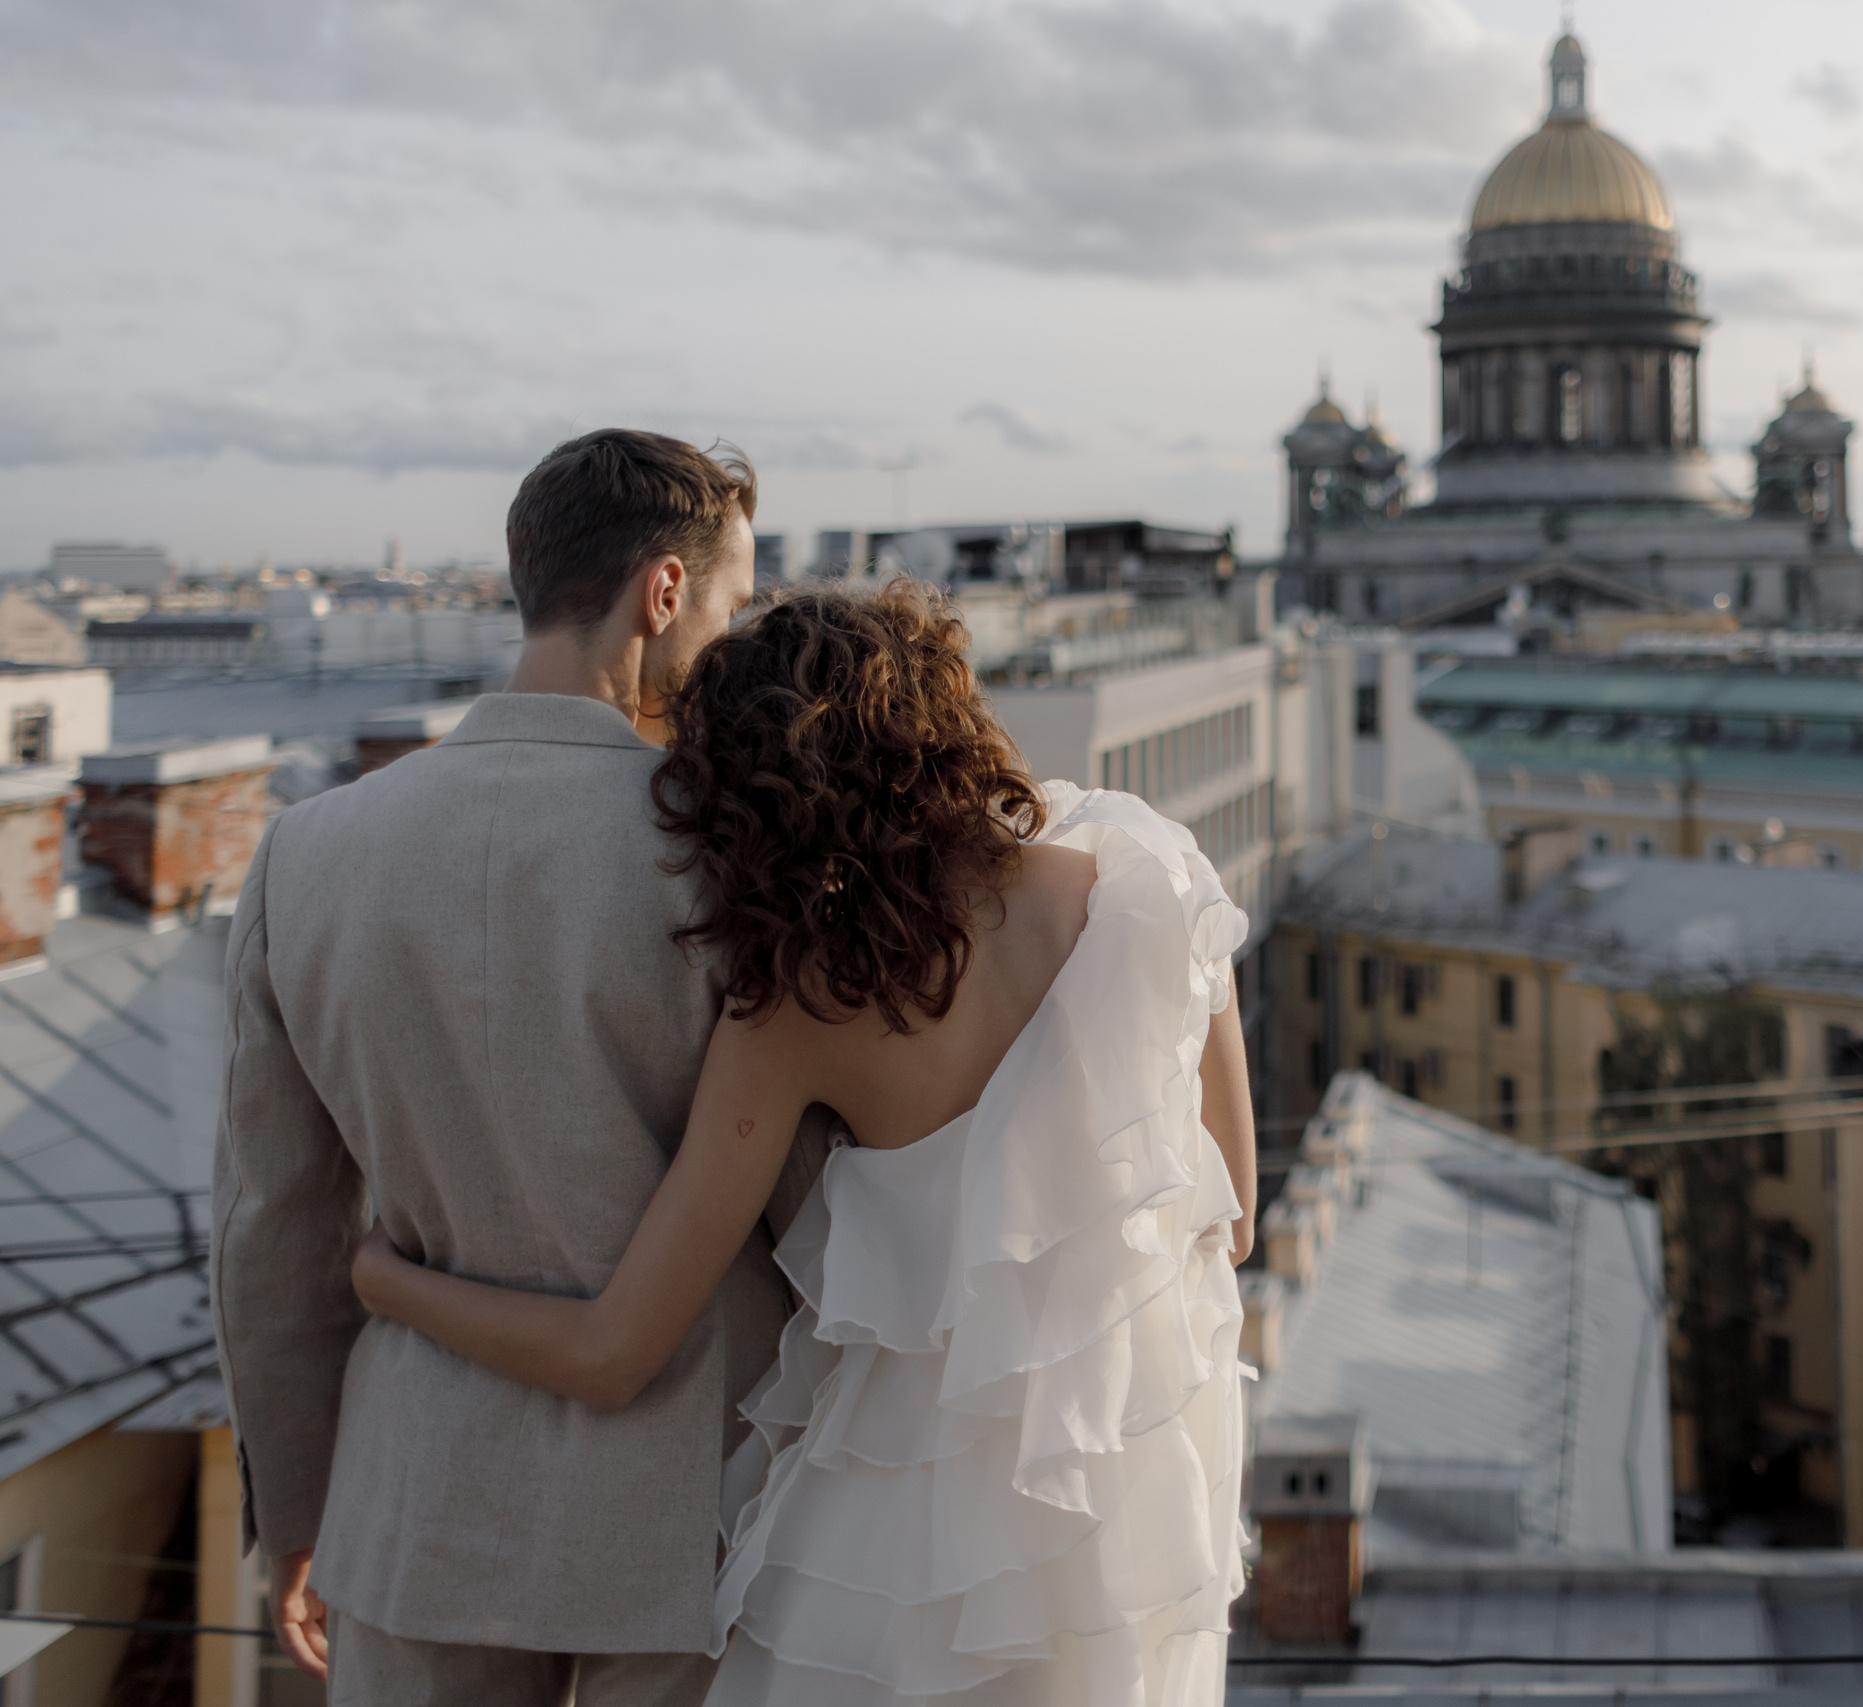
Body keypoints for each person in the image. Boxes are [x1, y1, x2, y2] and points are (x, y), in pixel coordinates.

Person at [347, 579, 1256, 1706]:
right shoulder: (1154, 884)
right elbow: (1231, 1217)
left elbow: (612, 1350)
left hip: (891, 1546)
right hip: (1121, 1515)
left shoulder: (799, 1010)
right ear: (945, 713)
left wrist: (387, 1280)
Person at [213, 430, 836, 1703]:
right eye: (729, 610)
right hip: (701, 1506)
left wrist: (300, 1509)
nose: (729, 647)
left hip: (415, 1507)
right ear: (665, 591)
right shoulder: (731, 853)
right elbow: (816, 1212)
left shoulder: (305, 855)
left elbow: (272, 1231)